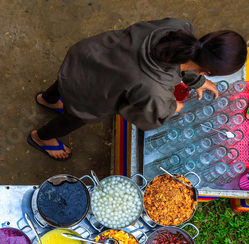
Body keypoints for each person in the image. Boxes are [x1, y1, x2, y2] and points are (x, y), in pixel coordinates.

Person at [28, 18, 247, 161]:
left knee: (68, 79)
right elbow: (145, 117)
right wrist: (172, 106)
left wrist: (196, 80)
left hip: (89, 55)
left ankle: (47, 99)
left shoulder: (180, 28)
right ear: (208, 71)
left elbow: (177, 59)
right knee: (75, 116)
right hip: (93, 94)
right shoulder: (154, 90)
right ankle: (42, 137)